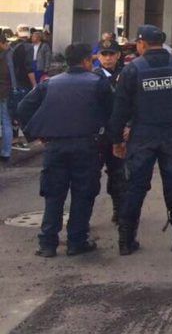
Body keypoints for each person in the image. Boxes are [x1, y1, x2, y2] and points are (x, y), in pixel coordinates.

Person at [108, 25, 172, 255]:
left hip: (142, 136)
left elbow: (119, 110)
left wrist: (116, 140)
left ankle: (126, 242)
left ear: (142, 43)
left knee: (134, 188)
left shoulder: (132, 70)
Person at [16, 42, 112, 258]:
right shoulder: (98, 83)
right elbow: (112, 113)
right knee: (83, 194)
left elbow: (23, 108)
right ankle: (76, 241)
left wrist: (37, 133)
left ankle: (47, 244)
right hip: (86, 147)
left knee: (54, 195)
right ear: (87, 60)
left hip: (55, 147)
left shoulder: (50, 84)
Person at [94, 38, 126, 224]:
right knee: (90, 177)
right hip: (98, 136)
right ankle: (83, 218)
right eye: (104, 54)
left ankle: (119, 211)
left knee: (119, 176)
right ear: (98, 56)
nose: (107, 58)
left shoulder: (126, 76)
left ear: (118, 55)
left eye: (111, 54)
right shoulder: (92, 77)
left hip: (118, 135)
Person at [9, 26, 34, 150]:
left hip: (10, 83)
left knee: (12, 112)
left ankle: (14, 138)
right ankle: (20, 139)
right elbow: (29, 67)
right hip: (23, 83)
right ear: (28, 35)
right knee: (23, 111)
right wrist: (34, 84)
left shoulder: (10, 46)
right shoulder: (28, 47)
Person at [0, 35, 13, 163]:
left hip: (4, 92)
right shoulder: (8, 56)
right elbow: (12, 75)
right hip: (5, 92)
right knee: (6, 122)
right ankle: (6, 152)